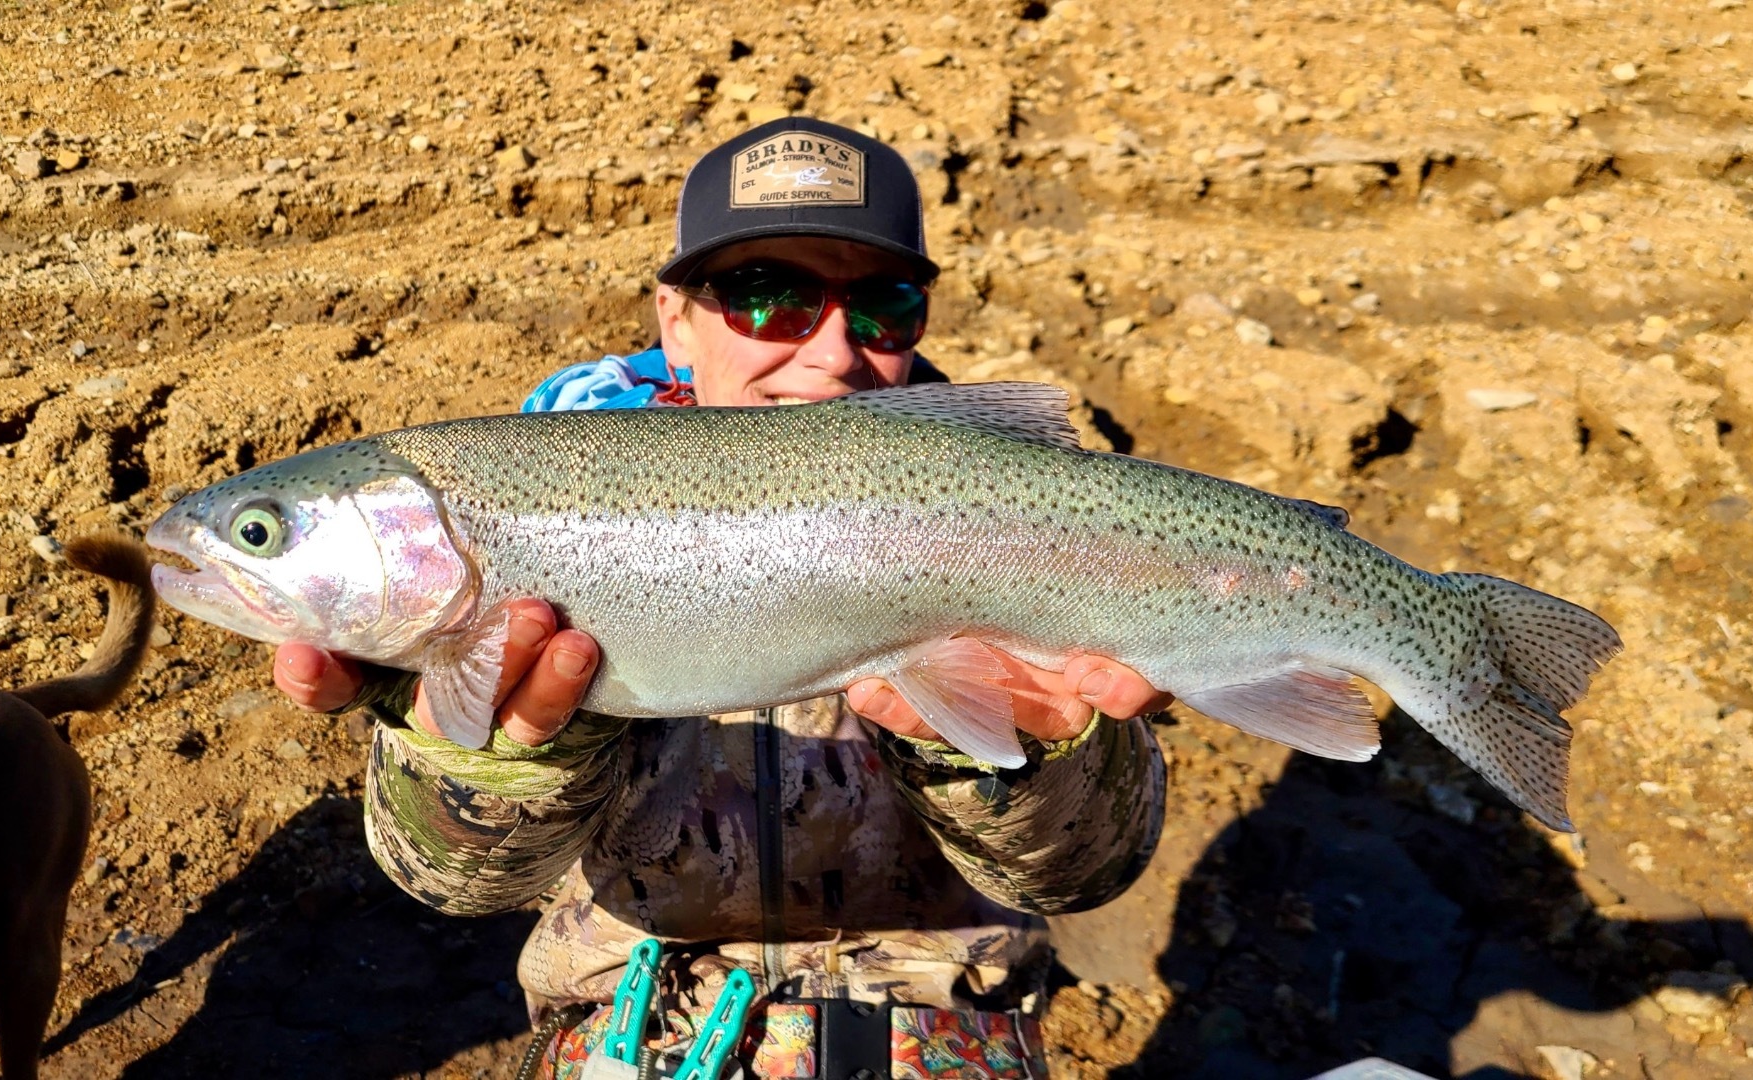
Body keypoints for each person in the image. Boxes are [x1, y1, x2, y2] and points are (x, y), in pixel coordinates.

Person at [272, 117, 1169, 1079]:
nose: (831, 353)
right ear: (676, 319)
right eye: (770, 297)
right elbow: (454, 883)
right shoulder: (518, 526)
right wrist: (513, 758)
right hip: (637, 1045)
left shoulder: (1030, 519)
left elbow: (1083, 869)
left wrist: (1017, 756)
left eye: (881, 307)